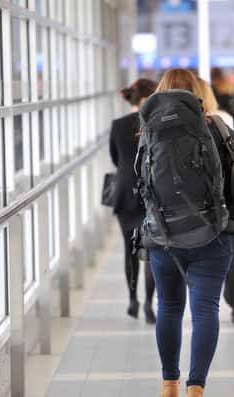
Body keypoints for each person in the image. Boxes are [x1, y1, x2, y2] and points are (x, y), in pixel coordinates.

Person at [143, 69, 234, 397]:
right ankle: (196, 387)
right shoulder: (219, 125)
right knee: (206, 307)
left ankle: (169, 383)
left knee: (168, 305)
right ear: (198, 93)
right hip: (214, 232)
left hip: (164, 236)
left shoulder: (149, 130)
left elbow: (144, 186)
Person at [109, 79, 158, 324]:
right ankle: (150, 303)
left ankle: (132, 300)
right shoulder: (154, 124)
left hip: (125, 194)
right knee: (150, 250)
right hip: (151, 194)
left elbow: (116, 159)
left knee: (129, 250)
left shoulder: (118, 126)